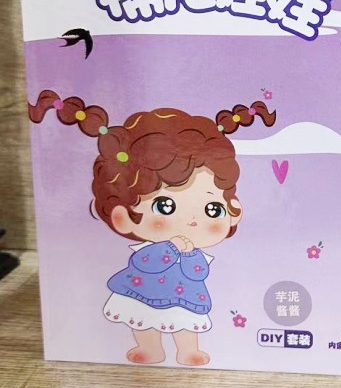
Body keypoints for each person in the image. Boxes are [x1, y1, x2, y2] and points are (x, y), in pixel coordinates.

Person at [29, 90, 275, 366]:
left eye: (213, 209)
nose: (193, 220)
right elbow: (144, 262)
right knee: (143, 321)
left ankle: (187, 351)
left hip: (186, 297)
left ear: (233, 210)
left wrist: (189, 254)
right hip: (143, 291)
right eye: (165, 206)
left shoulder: (195, 251)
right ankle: (151, 349)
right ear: (123, 216)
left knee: (186, 324)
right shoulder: (152, 250)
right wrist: (171, 248)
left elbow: (199, 272)